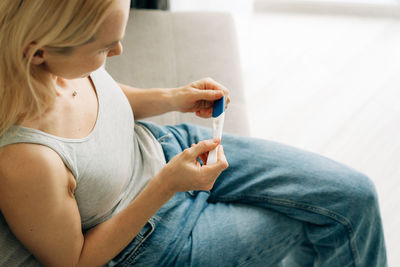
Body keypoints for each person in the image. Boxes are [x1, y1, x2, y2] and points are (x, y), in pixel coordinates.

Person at [0, 0, 387, 266]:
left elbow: (106, 101)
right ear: (38, 52)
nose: (118, 50)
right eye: (104, 48)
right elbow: (75, 260)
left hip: (172, 147)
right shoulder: (27, 161)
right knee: (328, 221)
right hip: (154, 242)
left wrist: (174, 97)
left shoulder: (59, 64)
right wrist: (168, 184)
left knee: (356, 195)